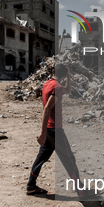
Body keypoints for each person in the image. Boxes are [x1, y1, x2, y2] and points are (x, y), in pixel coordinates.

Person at [26, 63, 84, 197]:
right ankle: (81, 190)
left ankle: (31, 186)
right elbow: (47, 109)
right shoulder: (57, 87)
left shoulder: (48, 84)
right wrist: (43, 133)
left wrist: (68, 76)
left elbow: (68, 90)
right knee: (69, 159)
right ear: (63, 75)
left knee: (41, 158)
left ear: (53, 71)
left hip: (49, 129)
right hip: (55, 130)